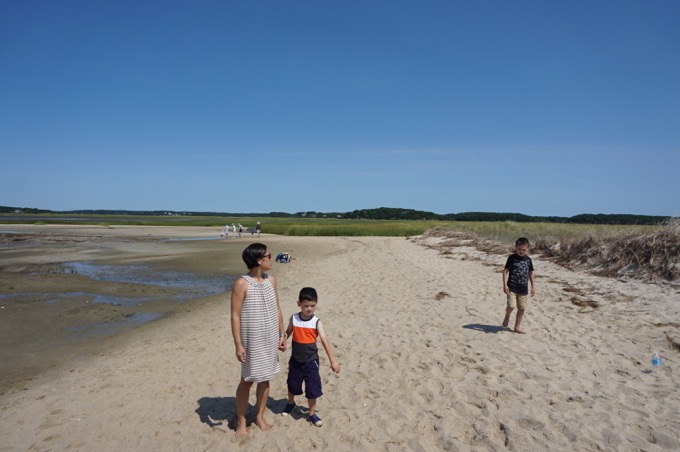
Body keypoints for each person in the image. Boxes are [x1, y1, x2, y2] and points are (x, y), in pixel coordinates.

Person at [230, 243, 287, 437]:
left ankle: (259, 416)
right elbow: (235, 316)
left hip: (270, 336)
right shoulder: (241, 283)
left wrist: (282, 334)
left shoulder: (271, 280)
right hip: (251, 339)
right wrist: (238, 344)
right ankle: (241, 420)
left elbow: (277, 307)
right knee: (247, 380)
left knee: (265, 378)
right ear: (258, 260)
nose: (272, 258)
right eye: (269, 255)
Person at [281, 287, 340, 427]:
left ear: (316, 304)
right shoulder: (294, 318)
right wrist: (283, 340)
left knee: (312, 388)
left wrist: (333, 361)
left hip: (311, 361)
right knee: (292, 384)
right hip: (295, 360)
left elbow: (324, 341)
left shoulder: (316, 322)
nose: (309, 309)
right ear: (298, 304)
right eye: (306, 305)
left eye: (312, 306)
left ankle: (312, 413)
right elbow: (288, 333)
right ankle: (291, 403)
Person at [502, 237, 536, 334]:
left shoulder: (528, 260)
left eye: (523, 250)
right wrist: (505, 285)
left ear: (527, 249)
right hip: (512, 287)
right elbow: (505, 271)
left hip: (523, 289)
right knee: (511, 306)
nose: (521, 251)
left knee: (522, 308)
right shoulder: (511, 258)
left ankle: (517, 327)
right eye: (519, 249)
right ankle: (507, 315)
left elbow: (531, 273)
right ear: (515, 247)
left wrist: (533, 287)